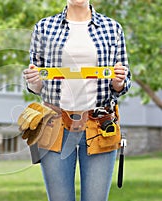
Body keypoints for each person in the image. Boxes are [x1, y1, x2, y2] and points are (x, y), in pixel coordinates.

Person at [22, 0, 131, 201]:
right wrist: (34, 81)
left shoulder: (112, 28)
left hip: (100, 126)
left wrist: (118, 81)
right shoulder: (44, 27)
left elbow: (122, 85)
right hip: (55, 125)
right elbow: (36, 85)